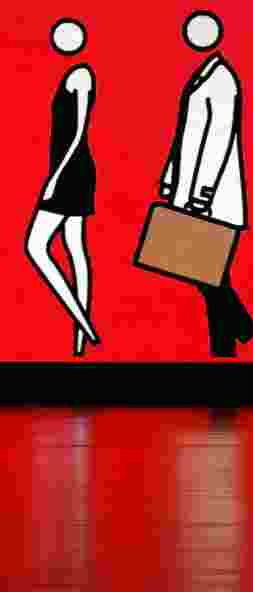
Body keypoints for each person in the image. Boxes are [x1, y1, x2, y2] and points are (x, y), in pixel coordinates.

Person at [160, 12, 253, 357]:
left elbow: (218, 141)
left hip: (213, 199)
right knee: (212, 277)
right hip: (193, 195)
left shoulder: (222, 80)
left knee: (210, 276)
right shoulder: (202, 77)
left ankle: (237, 334)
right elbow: (185, 135)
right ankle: (227, 346)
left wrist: (202, 193)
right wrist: (171, 178)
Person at [26, 18, 101, 356]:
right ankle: (81, 339)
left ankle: (82, 325)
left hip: (71, 171)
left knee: (36, 246)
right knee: (75, 249)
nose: (63, 39)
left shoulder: (81, 75)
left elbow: (78, 132)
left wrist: (54, 177)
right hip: (73, 171)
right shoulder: (72, 74)